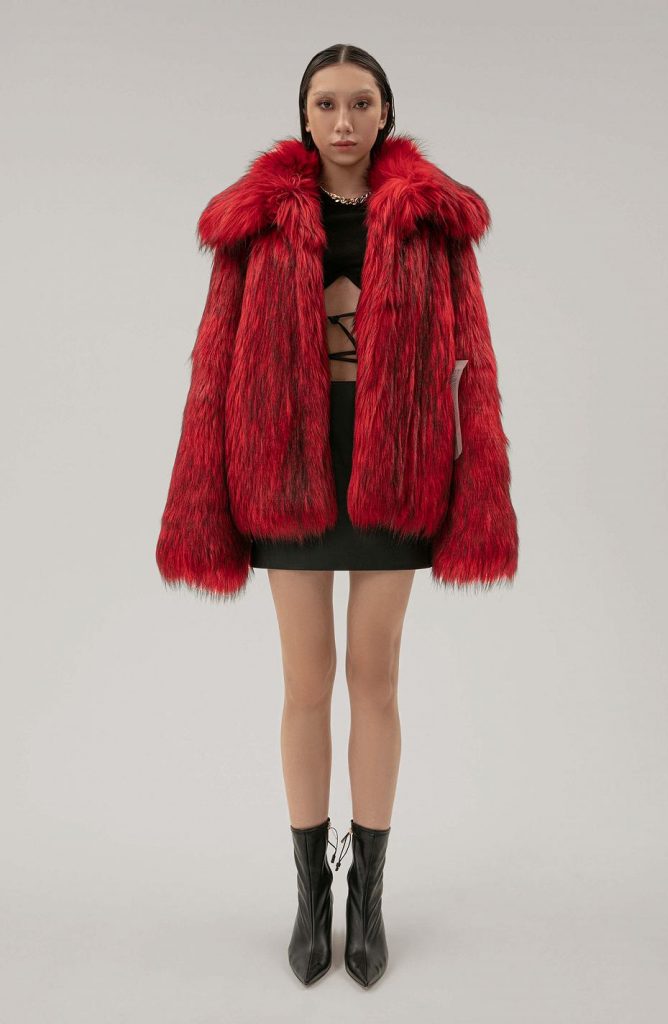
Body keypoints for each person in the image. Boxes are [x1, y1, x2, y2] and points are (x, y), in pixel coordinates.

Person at [155, 43, 518, 988]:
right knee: (305, 682)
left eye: (360, 102)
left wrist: (476, 478)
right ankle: (310, 896)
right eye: (327, 103)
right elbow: (213, 361)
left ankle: (370, 898)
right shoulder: (256, 220)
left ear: (386, 111)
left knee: (376, 679)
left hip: (397, 460)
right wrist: (204, 486)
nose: (344, 120)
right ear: (304, 114)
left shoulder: (432, 219)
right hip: (286, 462)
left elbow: (473, 361)